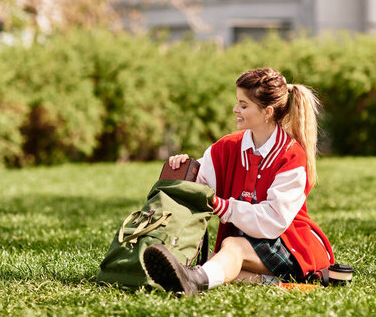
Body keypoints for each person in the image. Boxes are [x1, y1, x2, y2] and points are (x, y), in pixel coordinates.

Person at [142, 68, 335, 295]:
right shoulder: (228, 146)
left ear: (267, 112)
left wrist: (224, 206)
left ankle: (193, 283)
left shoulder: (292, 156)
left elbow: (273, 221)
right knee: (214, 264)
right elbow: (198, 185)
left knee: (232, 248)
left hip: (291, 246)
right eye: (237, 103)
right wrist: (184, 170)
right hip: (247, 245)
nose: (236, 109)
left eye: (244, 105)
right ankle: (262, 281)